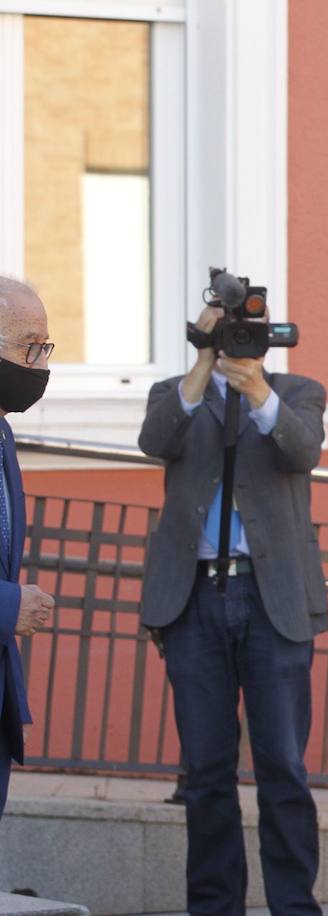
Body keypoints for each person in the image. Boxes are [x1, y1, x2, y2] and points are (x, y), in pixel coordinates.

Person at [139, 298, 328, 915]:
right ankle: (214, 906)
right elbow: (154, 441)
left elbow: (302, 453)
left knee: (283, 767)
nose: (241, 342)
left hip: (272, 599)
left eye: (249, 332)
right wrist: (202, 363)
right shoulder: (178, 392)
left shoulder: (297, 390)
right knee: (206, 772)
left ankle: (294, 907)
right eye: (229, 332)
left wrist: (256, 392)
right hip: (194, 596)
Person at [0, 278, 55, 820]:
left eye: (46, 347)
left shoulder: (3, 434)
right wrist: (10, 605)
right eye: (28, 346)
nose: (40, 364)